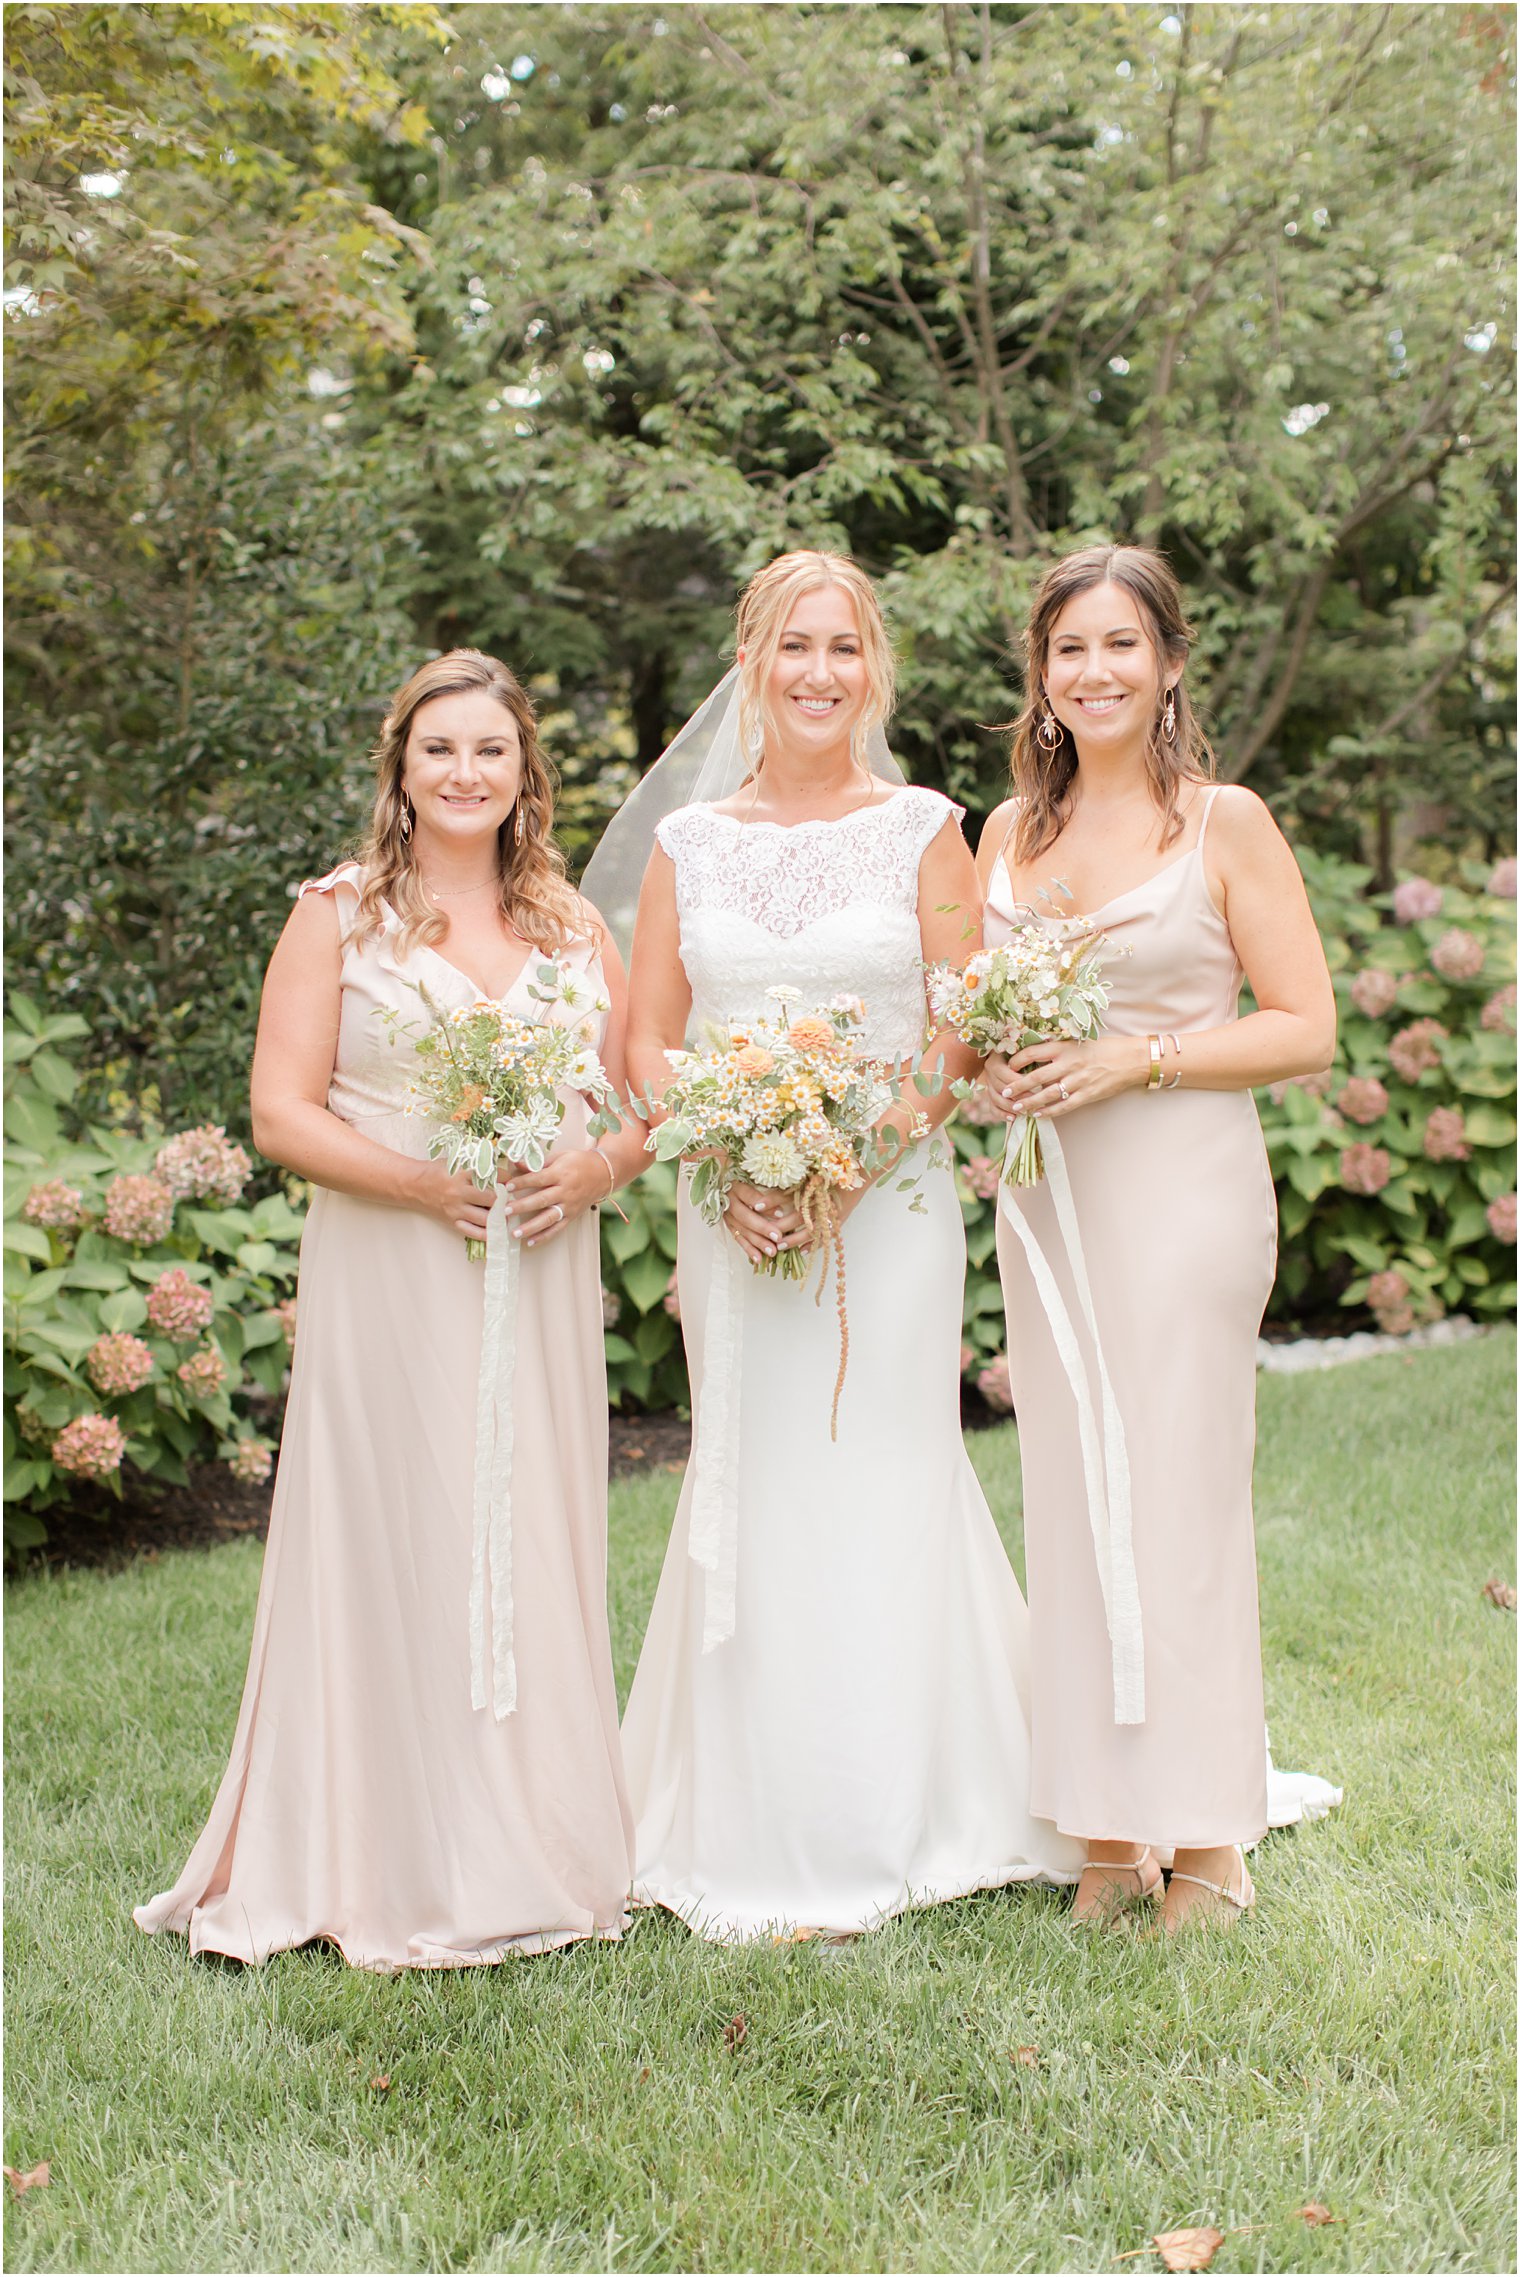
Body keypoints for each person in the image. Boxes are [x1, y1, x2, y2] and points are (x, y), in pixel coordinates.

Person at [135, 650, 646, 1969]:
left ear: (525, 769)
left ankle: (534, 1842)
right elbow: (279, 1110)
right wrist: (425, 1184)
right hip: (391, 1264)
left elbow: (638, 1104)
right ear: (401, 772)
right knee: (394, 1527)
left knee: (526, 1529)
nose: (467, 771)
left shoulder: (574, 926)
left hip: (534, 1268)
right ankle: (374, 1849)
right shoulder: (340, 913)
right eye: (440, 750)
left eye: (491, 748)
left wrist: (587, 1168)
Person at [603, 550, 1084, 1941]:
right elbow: (645, 1034)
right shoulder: (693, 847)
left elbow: (961, 1018)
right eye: (795, 646)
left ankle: (907, 1802)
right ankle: (752, 1811)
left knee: (884, 1467)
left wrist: (845, 1158)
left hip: (893, 1210)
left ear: (873, 668)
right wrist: (725, 1155)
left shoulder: (923, 826)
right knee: (753, 1478)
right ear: (750, 662)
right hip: (731, 1206)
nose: (821, 672)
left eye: (846, 648)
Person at [974, 544, 1338, 1929]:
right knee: (1072, 1500)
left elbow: (1305, 1026)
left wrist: (1141, 1059)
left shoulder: (1222, 821)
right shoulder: (1005, 836)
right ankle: (1112, 1829)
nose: (1096, 671)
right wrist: (1001, 1067)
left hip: (1183, 1187)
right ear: (1043, 676)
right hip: (1050, 1204)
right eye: (1070, 649)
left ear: (1170, 662)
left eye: (1122, 644)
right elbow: (975, 1017)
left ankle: (1212, 1833)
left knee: (1179, 1495)